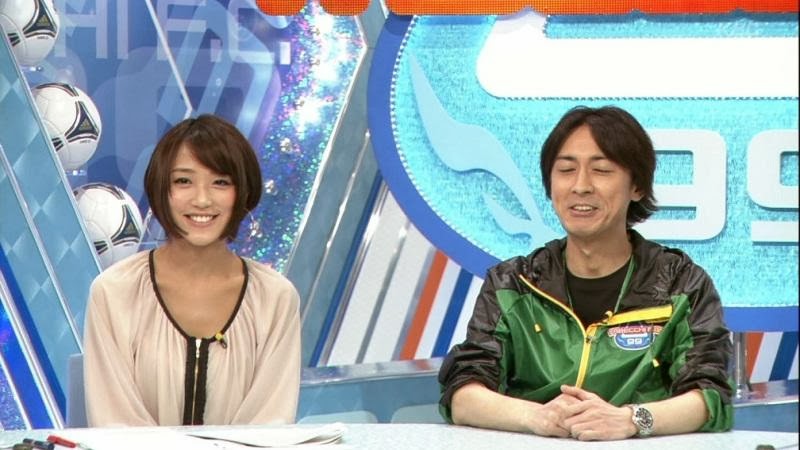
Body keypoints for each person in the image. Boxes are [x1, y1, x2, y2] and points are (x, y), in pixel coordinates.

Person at [438, 106, 733, 440]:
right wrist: (537, 416)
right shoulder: (514, 283)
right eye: (566, 170)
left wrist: (632, 420)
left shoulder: (681, 284)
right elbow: (462, 394)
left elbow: (710, 398)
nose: (581, 186)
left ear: (637, 186)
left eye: (601, 170)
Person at [83, 114, 301, 426]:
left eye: (220, 182)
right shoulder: (114, 292)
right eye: (183, 181)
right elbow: (115, 426)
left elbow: (269, 426)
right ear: (161, 189)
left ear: (243, 193)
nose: (202, 199)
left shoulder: (275, 298)